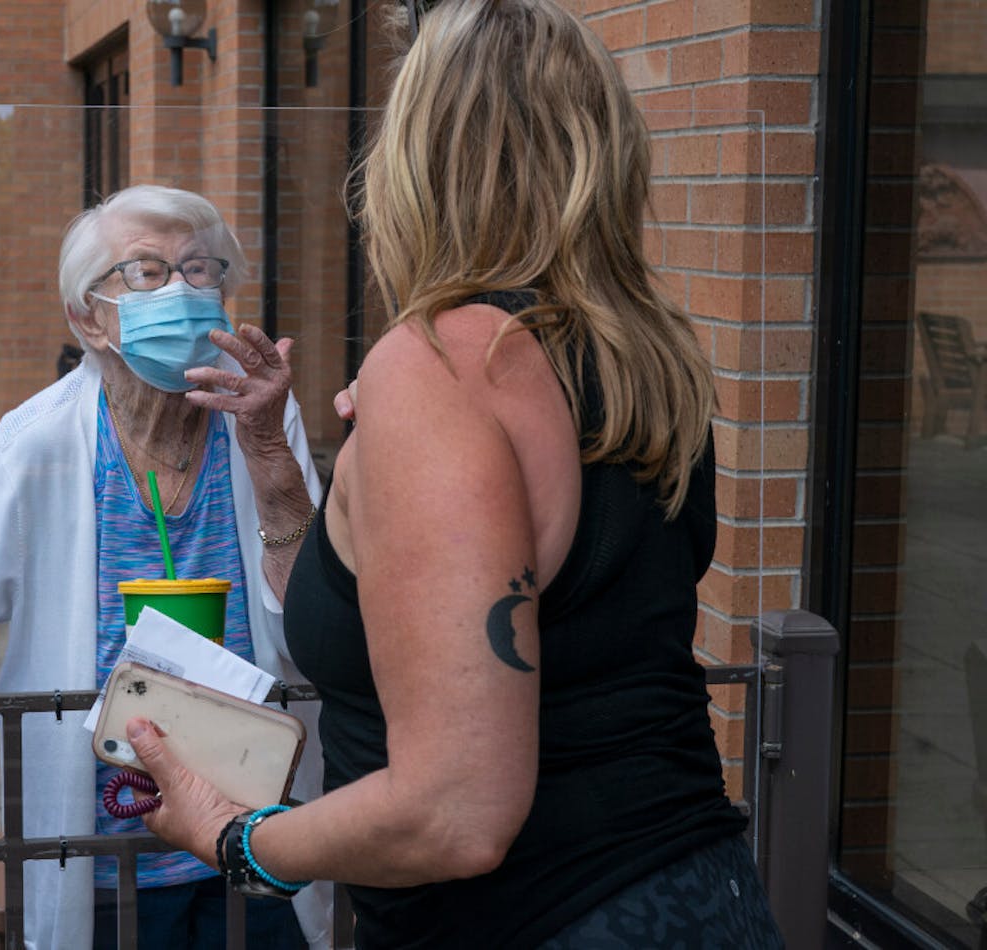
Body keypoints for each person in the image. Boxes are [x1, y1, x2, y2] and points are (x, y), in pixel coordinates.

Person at [122, 1, 786, 947]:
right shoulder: (643, 358)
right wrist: (295, 465)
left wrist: (238, 840)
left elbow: (456, 812)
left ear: (422, 160)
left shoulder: (443, 364)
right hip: (704, 896)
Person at [0, 184, 331, 950]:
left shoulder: (260, 423)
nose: (182, 290)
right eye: (147, 272)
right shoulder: (41, 442)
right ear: (89, 318)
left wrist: (277, 467)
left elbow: (312, 616)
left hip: (258, 833)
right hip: (109, 849)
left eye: (199, 269)